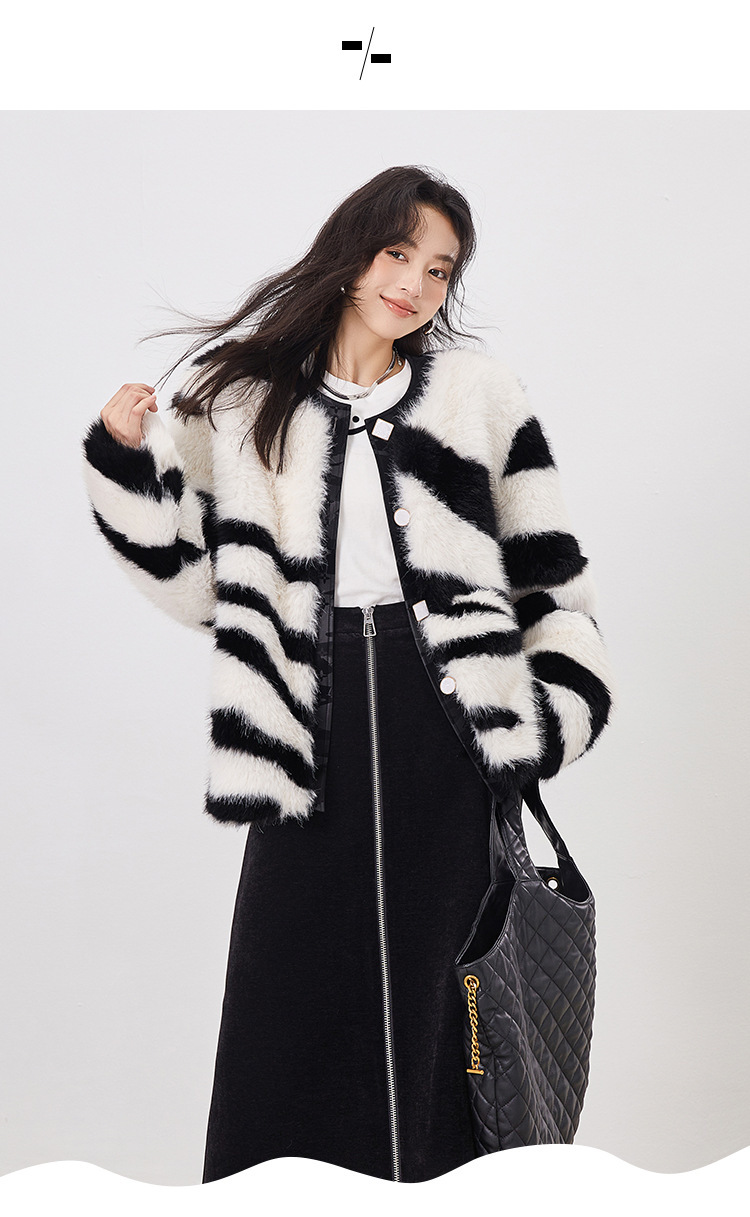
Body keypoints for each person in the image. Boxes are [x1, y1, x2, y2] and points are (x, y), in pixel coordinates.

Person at [81, 165, 614, 1184]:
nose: (415, 283)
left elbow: (552, 578)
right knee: (289, 1001)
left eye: (440, 268)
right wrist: (123, 460)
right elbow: (200, 587)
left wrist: (545, 720)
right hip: (303, 724)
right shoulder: (240, 401)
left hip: (443, 720)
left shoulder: (478, 394)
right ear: (353, 252)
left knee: (450, 1006)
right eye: (398, 253)